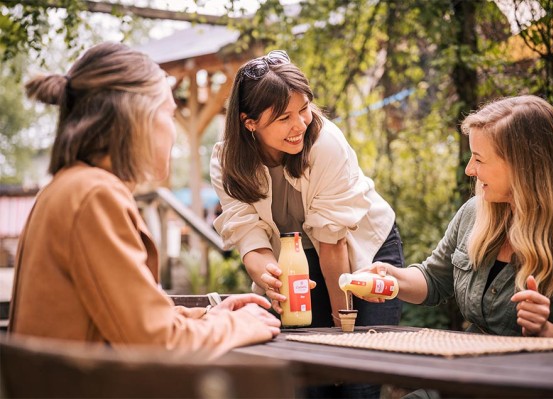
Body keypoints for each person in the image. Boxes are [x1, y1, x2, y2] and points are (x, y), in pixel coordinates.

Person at [9, 42, 281, 360]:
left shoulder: (70, 188)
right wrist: (239, 327)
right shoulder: (94, 197)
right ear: (137, 118)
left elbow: (125, 318)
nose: (175, 132)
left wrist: (212, 316)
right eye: (167, 113)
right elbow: (157, 342)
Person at [210, 50, 404, 397]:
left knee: (358, 375)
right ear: (249, 122)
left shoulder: (325, 143)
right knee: (307, 381)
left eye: (304, 109)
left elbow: (333, 243)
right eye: (284, 117)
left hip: (358, 251)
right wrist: (272, 279)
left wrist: (341, 321)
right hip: (295, 261)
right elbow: (248, 237)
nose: (299, 124)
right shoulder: (227, 162)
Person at [360, 95, 553, 340]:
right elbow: (433, 278)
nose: (470, 170)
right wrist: (391, 277)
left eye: (479, 159)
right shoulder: (475, 212)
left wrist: (545, 330)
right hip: (470, 367)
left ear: (523, 166)